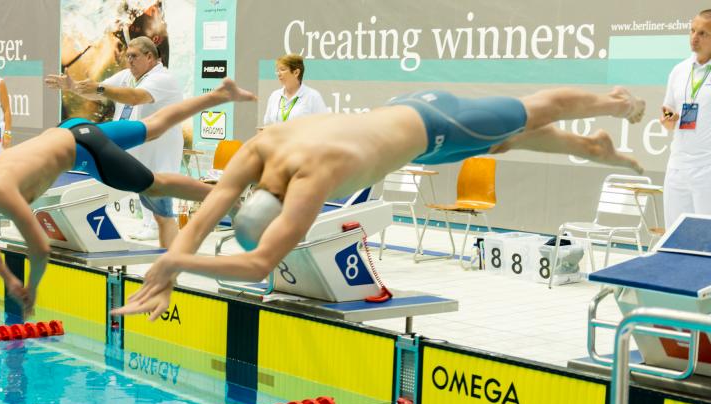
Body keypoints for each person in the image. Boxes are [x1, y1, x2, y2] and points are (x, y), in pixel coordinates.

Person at [113, 87, 648, 320]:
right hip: (406, 122)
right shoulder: (262, 148)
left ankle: (615, 103)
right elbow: (205, 215)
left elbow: (258, 263)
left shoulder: (313, 178)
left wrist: (175, 261)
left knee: (534, 110)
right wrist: (172, 270)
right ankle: (591, 147)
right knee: (507, 138)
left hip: (437, 125)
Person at [0, 79, 257, 316]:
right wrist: (11, 281)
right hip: (72, 128)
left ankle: (225, 195)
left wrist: (32, 289)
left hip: (83, 150)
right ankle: (219, 94)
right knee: (153, 127)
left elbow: (40, 249)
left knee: (153, 185)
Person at [46, 37, 183, 246]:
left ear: (149, 57)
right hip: (136, 138)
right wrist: (73, 87)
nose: (129, 61)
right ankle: (150, 223)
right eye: (127, 56)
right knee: (142, 179)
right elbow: (98, 92)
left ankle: (157, 225)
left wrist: (100, 88)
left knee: (157, 179)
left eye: (134, 56)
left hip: (160, 141)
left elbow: (135, 97)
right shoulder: (127, 75)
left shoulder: (162, 78)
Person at [661, 9, 711, 227]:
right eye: (692, 31)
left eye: (703, 33)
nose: (694, 38)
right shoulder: (679, 70)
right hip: (678, 167)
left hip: (707, 169)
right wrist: (668, 118)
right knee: (674, 236)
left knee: (706, 240)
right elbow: (667, 108)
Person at [261, 54, 328, 127]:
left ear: (296, 72)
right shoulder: (275, 95)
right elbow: (267, 125)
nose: (278, 74)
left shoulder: (313, 96)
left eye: (282, 70)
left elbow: (324, 126)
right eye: (277, 71)